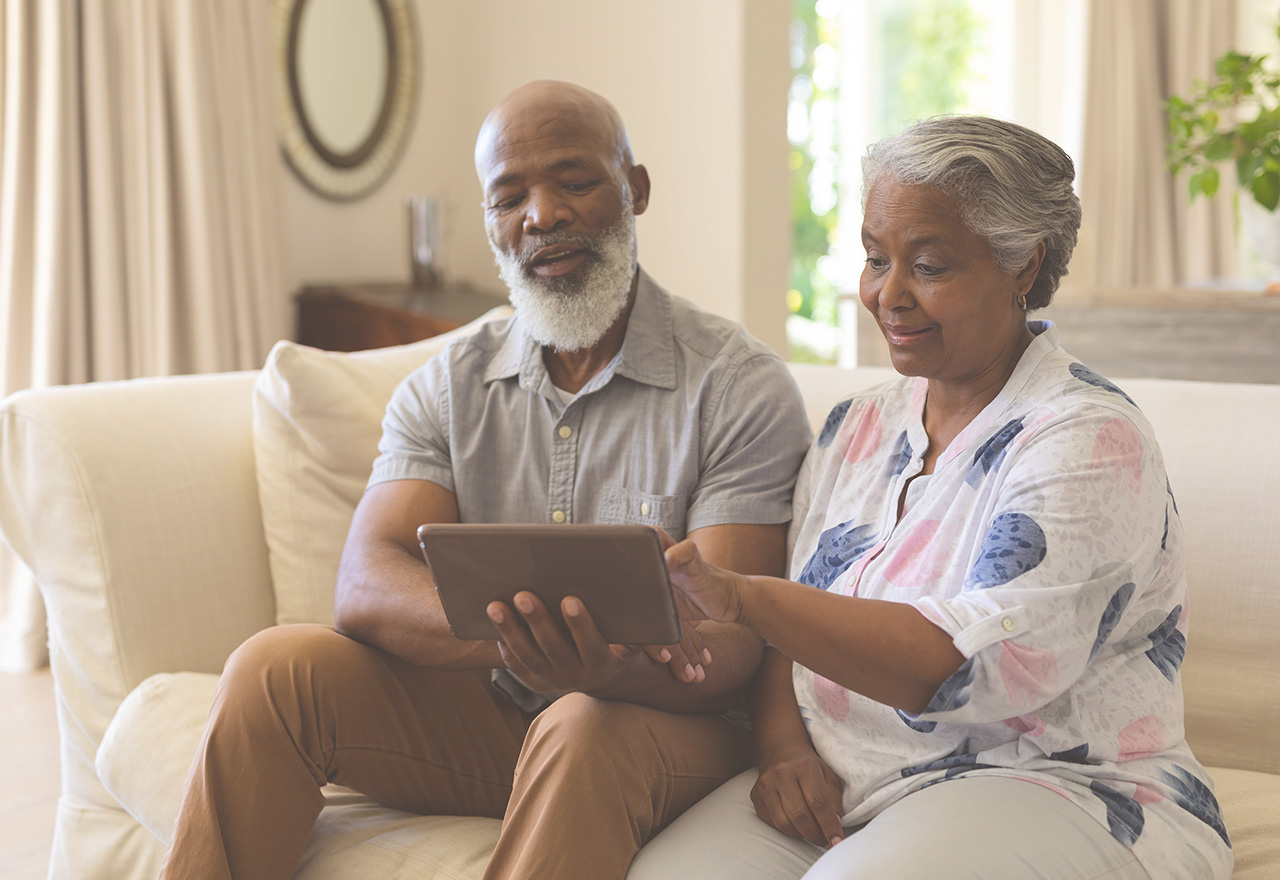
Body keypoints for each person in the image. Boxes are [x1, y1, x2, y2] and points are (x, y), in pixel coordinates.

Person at [158, 80, 811, 880]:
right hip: (494, 712)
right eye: (510, 198)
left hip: (663, 727)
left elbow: (735, 641)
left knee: (581, 723)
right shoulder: (448, 384)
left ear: (634, 190)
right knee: (273, 670)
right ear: (493, 226)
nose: (542, 214)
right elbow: (367, 582)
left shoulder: (737, 385)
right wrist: (522, 639)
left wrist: (602, 670)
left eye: (574, 181)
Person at [631, 116, 1233, 880]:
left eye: (930, 266)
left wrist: (742, 597)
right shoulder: (857, 426)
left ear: (1023, 265)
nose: (889, 294)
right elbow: (796, 631)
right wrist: (783, 750)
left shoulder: (1088, 438)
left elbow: (967, 666)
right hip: (859, 784)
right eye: (876, 259)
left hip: (1062, 786)